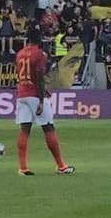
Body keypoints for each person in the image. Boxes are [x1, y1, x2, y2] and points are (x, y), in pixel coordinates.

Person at [13, 34, 73, 176]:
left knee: (24, 129)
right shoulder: (39, 54)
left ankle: (22, 167)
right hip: (34, 94)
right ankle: (61, 166)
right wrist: (40, 100)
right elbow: (40, 78)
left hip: (22, 93)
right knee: (48, 128)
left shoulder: (20, 54)